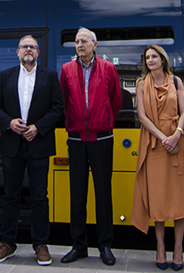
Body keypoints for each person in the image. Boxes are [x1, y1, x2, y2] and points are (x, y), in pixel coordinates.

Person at [0, 35, 64, 266]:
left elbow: (58, 108)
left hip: (39, 144)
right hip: (12, 143)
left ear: (38, 53)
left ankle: (40, 244)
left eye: (32, 47)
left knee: (40, 197)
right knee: (10, 196)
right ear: (18, 52)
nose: (28, 50)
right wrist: (9, 123)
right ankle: (7, 243)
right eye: (24, 47)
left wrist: (38, 127)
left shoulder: (50, 76)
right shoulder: (6, 76)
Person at [59, 27, 122, 267]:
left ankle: (105, 246)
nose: (79, 45)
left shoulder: (108, 68)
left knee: (103, 193)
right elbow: (64, 101)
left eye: (84, 41)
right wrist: (74, 122)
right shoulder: (66, 70)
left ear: (95, 45)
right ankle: (79, 246)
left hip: (102, 139)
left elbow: (116, 100)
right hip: (75, 140)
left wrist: (102, 121)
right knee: (77, 194)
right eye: (76, 42)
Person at [130, 45, 184, 271]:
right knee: (158, 199)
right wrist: (163, 138)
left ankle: (178, 251)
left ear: (162, 59)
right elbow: (143, 117)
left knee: (179, 199)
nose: (150, 60)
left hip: (178, 142)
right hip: (155, 145)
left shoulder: (176, 82)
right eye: (147, 57)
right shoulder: (141, 85)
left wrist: (176, 135)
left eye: (154, 56)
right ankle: (160, 249)